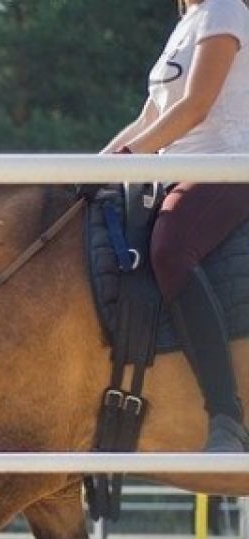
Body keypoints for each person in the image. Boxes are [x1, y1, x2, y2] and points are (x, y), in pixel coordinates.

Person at [103, 0, 249, 452]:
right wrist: (95, 166)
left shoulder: (225, 10)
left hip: (227, 168)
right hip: (177, 173)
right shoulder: (186, 24)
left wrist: (129, 159)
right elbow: (149, 118)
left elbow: (195, 107)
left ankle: (226, 415)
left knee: (169, 248)